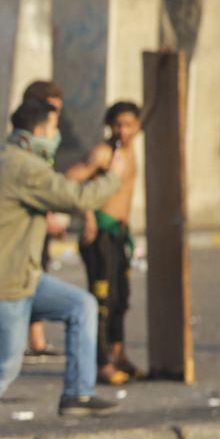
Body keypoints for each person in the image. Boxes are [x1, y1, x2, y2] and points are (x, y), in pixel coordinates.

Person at [0, 98, 124, 426]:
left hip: (19, 278)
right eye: (53, 128)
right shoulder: (24, 167)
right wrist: (113, 176)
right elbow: (77, 197)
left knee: (81, 306)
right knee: (2, 367)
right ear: (39, 129)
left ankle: (77, 394)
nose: (56, 134)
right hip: (4, 285)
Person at [70, 101, 142, 384]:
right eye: (117, 125)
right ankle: (101, 364)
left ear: (137, 127)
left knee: (121, 299)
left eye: (128, 125)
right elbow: (72, 180)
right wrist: (87, 214)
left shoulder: (130, 152)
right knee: (101, 301)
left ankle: (118, 354)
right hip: (99, 235)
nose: (122, 131)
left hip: (119, 235)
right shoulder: (104, 154)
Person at [20, 79, 68, 362]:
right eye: (53, 111)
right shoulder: (28, 145)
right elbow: (31, 186)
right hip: (26, 226)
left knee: (40, 274)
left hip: (39, 222)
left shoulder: (46, 144)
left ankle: (36, 340)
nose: (57, 117)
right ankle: (30, 340)